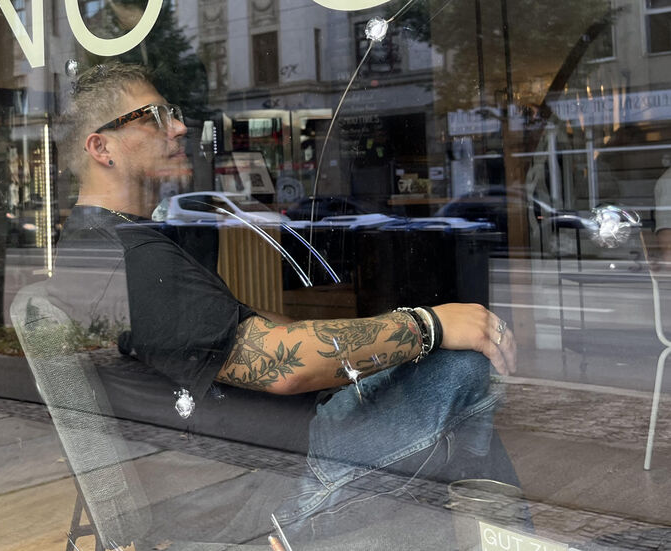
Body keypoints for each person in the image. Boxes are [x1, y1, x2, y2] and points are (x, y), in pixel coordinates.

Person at [40, 62, 520, 548]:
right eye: (155, 117)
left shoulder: (110, 243)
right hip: (268, 485)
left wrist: (376, 351)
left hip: (258, 457)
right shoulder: (132, 260)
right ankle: (502, 532)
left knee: (423, 389)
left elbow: (266, 329)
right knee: (459, 368)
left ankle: (491, 530)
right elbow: (278, 364)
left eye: (175, 114)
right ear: (101, 147)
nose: (180, 127)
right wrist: (427, 325)